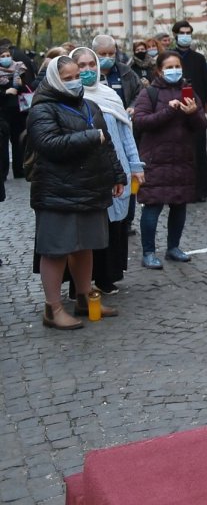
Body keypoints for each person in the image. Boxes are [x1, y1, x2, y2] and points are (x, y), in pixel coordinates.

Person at [25, 55, 124, 329]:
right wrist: (90, 137)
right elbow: (49, 144)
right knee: (56, 250)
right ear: (55, 80)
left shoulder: (91, 106)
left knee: (85, 247)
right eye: (67, 78)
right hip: (57, 191)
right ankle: (52, 309)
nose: (74, 82)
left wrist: (117, 175)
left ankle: (85, 298)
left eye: (76, 75)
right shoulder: (42, 110)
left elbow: (108, 145)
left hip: (89, 186)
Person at [72, 48, 143, 294]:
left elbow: (126, 133)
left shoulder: (110, 95)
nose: (88, 69)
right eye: (81, 65)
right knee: (88, 228)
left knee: (114, 225)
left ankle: (106, 276)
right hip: (86, 174)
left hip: (116, 170)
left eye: (92, 64)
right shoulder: (68, 98)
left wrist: (134, 165)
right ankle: (81, 284)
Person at [133, 50, 207, 268]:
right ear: (159, 70)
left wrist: (193, 112)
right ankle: (148, 252)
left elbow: (201, 125)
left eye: (178, 67)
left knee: (179, 204)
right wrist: (168, 110)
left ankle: (173, 247)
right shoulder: (149, 93)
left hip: (182, 158)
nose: (174, 71)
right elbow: (141, 121)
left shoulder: (189, 92)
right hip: (156, 159)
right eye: (169, 67)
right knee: (152, 206)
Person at [171, 21, 207, 201]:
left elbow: (206, 84)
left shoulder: (199, 58)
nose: (186, 35)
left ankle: (201, 190)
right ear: (175, 35)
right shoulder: (170, 57)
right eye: (182, 32)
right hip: (175, 110)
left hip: (196, 110)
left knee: (199, 151)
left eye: (188, 32)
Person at [1, 43, 32, 179]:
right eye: (2, 56)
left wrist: (21, 85)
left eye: (8, 56)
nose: (6, 58)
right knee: (2, 143)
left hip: (19, 110)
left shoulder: (19, 69)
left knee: (17, 140)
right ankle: (3, 173)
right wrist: (5, 92)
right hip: (3, 110)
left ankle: (19, 169)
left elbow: (27, 87)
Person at [92, 35, 140, 108]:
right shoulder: (89, 74)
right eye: (103, 54)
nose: (107, 57)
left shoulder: (125, 71)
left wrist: (133, 107)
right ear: (94, 53)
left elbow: (140, 93)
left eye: (111, 54)